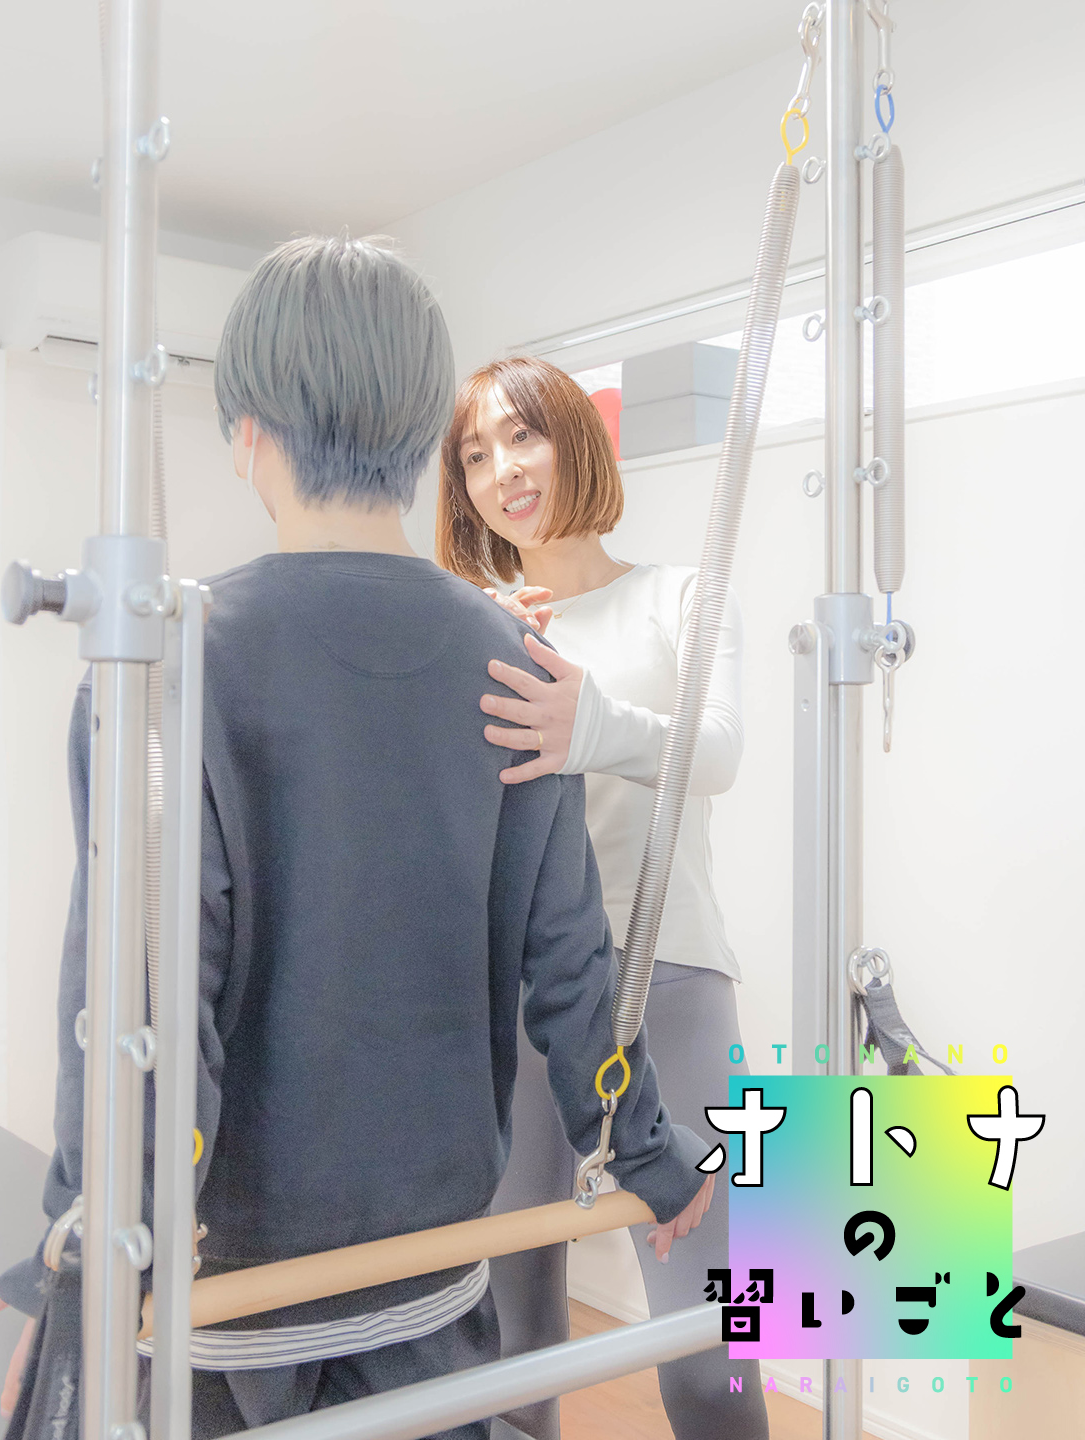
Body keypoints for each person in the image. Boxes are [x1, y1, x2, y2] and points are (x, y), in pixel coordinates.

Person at [0, 239, 714, 1439]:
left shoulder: (166, 667)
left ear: (247, 432)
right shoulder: (522, 664)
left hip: (235, 1297)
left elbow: (146, 1004)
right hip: (433, 1276)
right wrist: (649, 1158)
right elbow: (574, 967)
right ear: (424, 442)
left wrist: (83, 1243)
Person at [437, 355, 769, 1440]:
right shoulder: (478, 625)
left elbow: (715, 752)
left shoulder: (680, 596)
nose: (501, 470)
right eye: (475, 455)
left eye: (521, 436)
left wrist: (590, 722)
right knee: (510, 1329)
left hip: (669, 975)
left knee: (709, 1339)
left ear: (574, 440)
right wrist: (481, 652)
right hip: (524, 996)